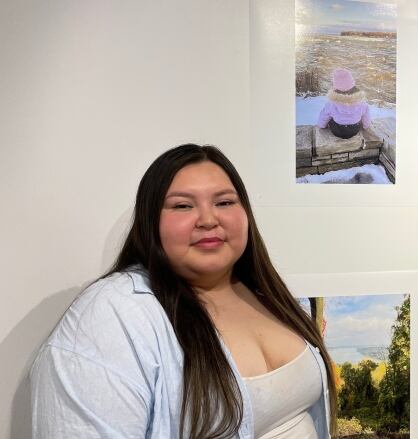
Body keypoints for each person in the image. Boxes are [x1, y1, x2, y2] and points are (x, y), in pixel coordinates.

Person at [30, 144, 337, 438]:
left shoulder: (266, 293)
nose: (208, 219)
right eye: (182, 206)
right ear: (151, 221)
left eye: (225, 202)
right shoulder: (110, 317)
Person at [317, 68, 372, 139]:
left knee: (330, 114)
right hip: (354, 130)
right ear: (352, 83)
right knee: (360, 113)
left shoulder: (332, 102)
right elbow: (366, 116)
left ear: (336, 85)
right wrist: (366, 126)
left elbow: (324, 116)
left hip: (337, 130)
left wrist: (322, 126)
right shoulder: (360, 101)